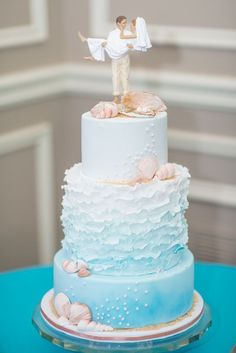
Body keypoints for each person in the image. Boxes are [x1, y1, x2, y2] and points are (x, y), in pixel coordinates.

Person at [78, 16, 151, 103]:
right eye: (123, 23)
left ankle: (126, 95)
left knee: (125, 76)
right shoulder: (112, 33)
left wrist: (131, 46)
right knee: (115, 76)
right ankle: (116, 96)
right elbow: (111, 44)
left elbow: (133, 44)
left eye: (126, 23)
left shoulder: (128, 33)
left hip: (124, 57)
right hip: (115, 57)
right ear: (118, 24)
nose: (125, 25)